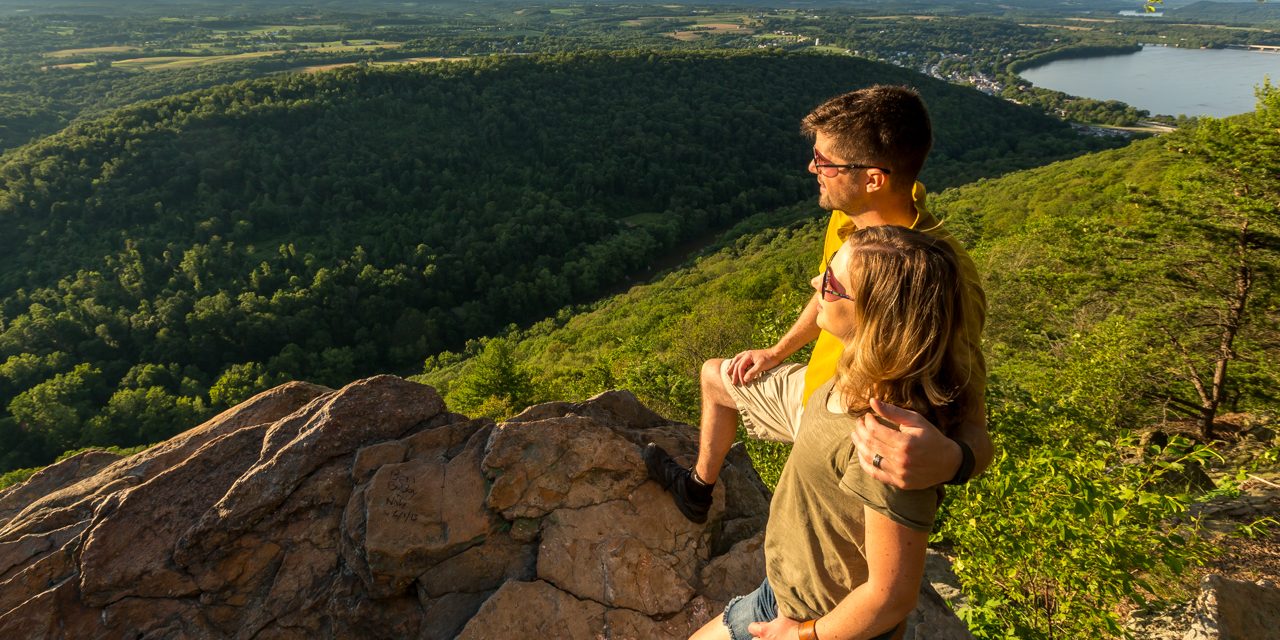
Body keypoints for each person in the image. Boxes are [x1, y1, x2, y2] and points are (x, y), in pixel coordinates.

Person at [643, 85, 991, 525]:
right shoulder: (852, 216)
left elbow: (973, 420)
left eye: (825, 162)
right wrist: (775, 352)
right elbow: (827, 291)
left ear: (873, 177)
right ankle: (696, 491)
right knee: (716, 376)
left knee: (798, 540)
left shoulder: (939, 274)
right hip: (815, 392)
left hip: (855, 435)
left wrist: (951, 463)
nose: (812, 167)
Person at [694, 225, 976, 640]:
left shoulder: (882, 437)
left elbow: (891, 596)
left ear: (876, 316)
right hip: (785, 595)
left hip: (811, 619)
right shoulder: (856, 375)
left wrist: (804, 634)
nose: (814, 283)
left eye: (830, 283)